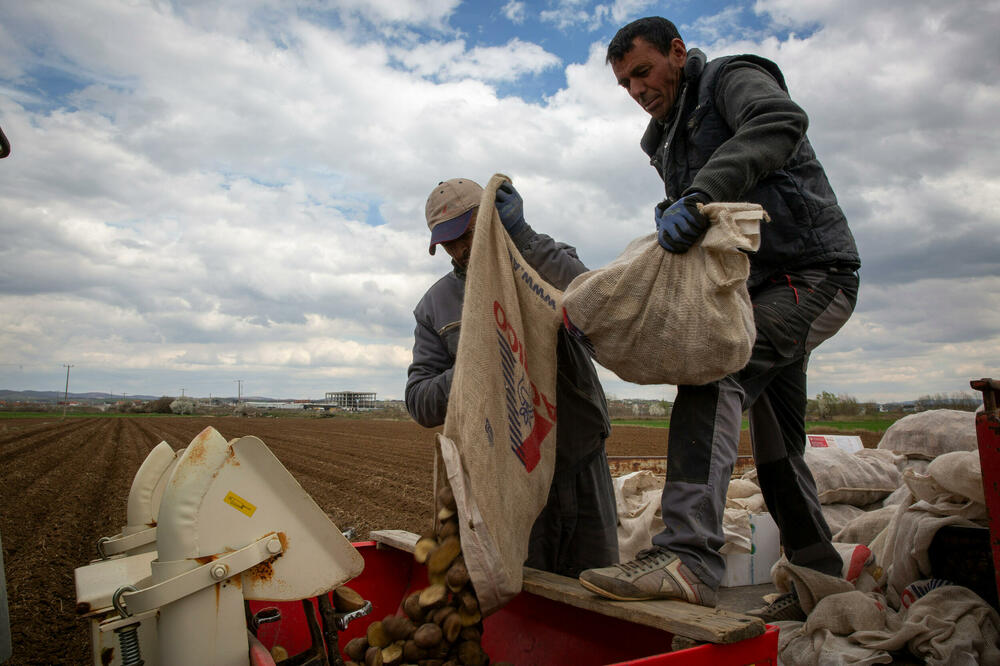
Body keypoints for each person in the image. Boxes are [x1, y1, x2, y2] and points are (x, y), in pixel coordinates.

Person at [578, 17, 861, 621]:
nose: (636, 90)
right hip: (752, 295)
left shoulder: (733, 79)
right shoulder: (666, 136)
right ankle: (821, 582)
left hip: (812, 276)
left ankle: (687, 559)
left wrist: (699, 193)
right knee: (777, 448)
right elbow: (695, 209)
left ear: (678, 54)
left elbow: (779, 123)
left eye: (643, 72)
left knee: (716, 372)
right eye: (625, 83)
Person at [405, 177, 619, 577]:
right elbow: (419, 400)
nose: (461, 249)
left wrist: (524, 238)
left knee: (598, 580)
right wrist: (477, 358)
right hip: (510, 477)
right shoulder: (435, 306)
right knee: (532, 589)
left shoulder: (543, 259)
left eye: (466, 234)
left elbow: (594, 306)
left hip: (580, 453)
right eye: (449, 243)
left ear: (488, 219)